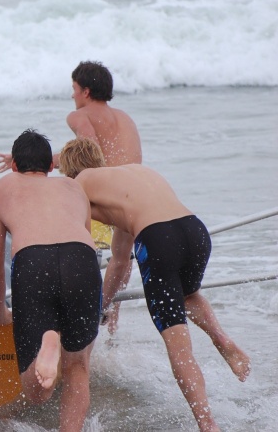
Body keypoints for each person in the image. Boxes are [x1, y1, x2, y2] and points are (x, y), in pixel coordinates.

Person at [59, 138, 251, 432]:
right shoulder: (130, 177)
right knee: (187, 294)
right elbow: (119, 261)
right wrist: (102, 308)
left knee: (179, 346)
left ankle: (207, 424)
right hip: (194, 231)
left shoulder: (81, 182)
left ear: (71, 171)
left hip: (159, 239)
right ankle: (221, 338)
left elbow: (78, 244)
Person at [0, 60, 142, 334]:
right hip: (134, 192)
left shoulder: (78, 115)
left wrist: (34, 159)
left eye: (74, 89)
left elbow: (87, 152)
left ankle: (88, 308)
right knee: (121, 257)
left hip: (104, 191)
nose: (72, 95)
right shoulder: (124, 117)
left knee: (75, 236)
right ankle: (108, 311)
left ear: (85, 91)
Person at [0, 130, 101, 432]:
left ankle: (49, 343)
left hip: (34, 261)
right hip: (82, 259)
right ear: (51, 166)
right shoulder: (74, 187)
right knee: (78, 367)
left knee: (37, 392)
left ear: (13, 166)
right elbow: (89, 241)